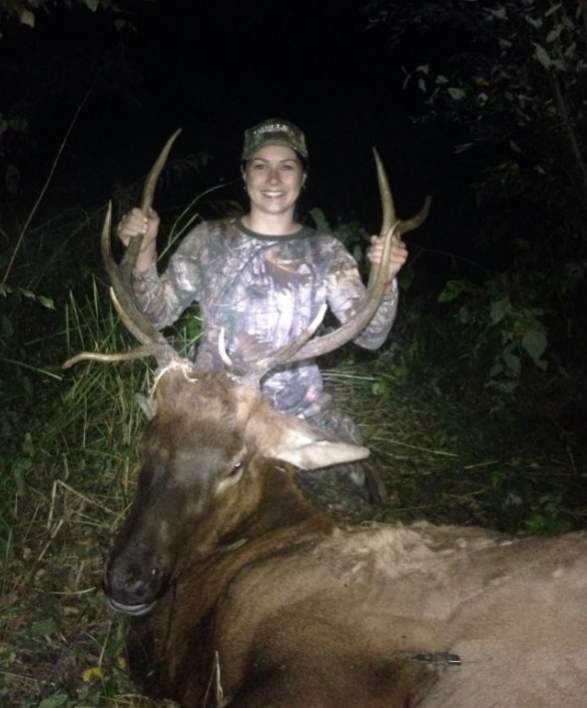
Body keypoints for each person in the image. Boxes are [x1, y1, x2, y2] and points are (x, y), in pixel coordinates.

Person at [117, 118, 408, 512]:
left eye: (287, 166)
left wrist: (385, 279)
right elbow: (158, 311)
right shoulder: (208, 240)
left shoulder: (327, 252)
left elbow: (370, 336)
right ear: (244, 174)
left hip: (297, 415)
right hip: (216, 420)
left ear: (303, 178)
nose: (274, 177)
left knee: (353, 506)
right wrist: (145, 251)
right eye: (260, 165)